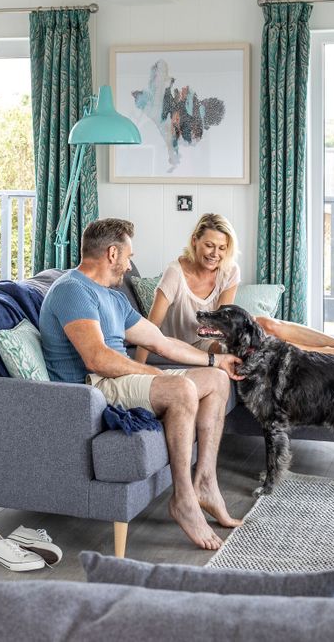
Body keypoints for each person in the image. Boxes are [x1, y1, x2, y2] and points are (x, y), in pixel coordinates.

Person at [39, 218, 243, 550]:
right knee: (181, 389)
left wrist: (215, 360)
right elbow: (97, 358)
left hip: (119, 380)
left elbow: (162, 343)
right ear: (112, 253)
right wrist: (156, 376)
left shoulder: (113, 299)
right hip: (93, 387)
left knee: (217, 381)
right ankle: (184, 500)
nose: (130, 265)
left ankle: (205, 480)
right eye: (128, 256)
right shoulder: (71, 290)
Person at [137, 213, 334, 364]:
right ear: (195, 241)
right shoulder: (175, 273)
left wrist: (248, 328)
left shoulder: (229, 270)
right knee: (260, 343)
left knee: (267, 324)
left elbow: (224, 320)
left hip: (213, 332)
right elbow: (149, 327)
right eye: (209, 246)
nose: (215, 254)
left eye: (222, 248)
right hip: (189, 344)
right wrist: (139, 370)